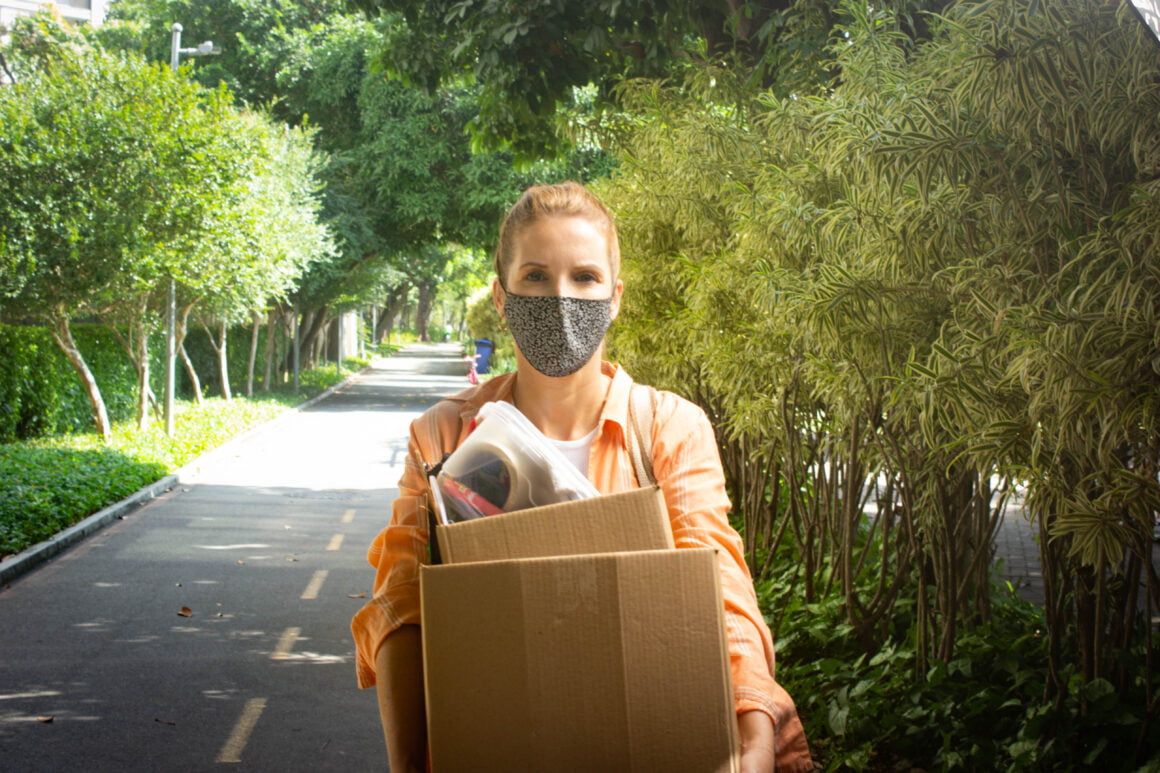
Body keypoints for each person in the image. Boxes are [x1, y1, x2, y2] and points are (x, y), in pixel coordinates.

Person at [351, 182, 813, 772]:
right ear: (502, 295)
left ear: (615, 297)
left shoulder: (668, 428)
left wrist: (751, 732)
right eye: (536, 276)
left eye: (585, 278)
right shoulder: (443, 437)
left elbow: (720, 591)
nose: (562, 298)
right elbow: (402, 602)